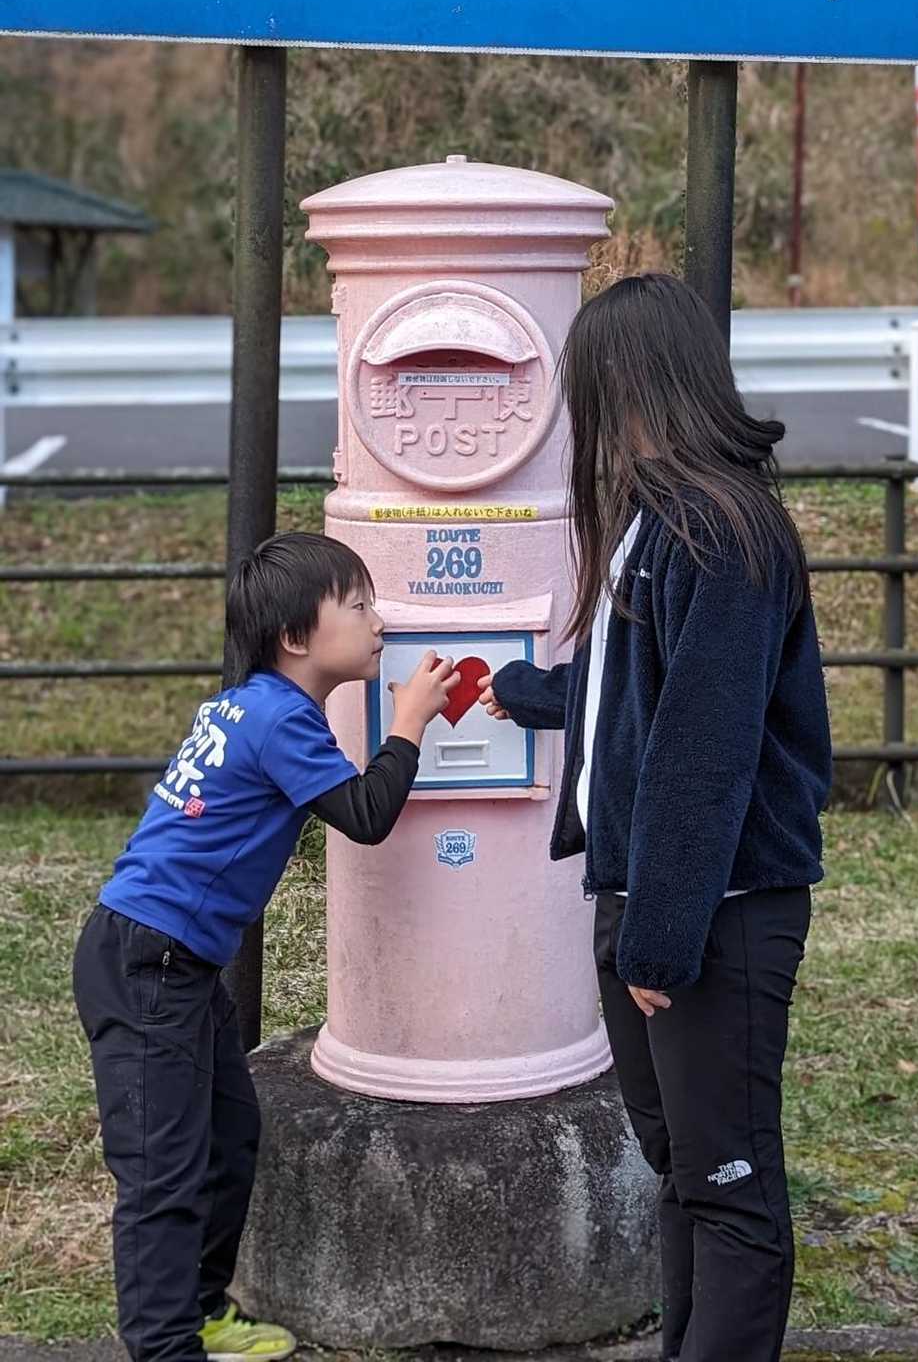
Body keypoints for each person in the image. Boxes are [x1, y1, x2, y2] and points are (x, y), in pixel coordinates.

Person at [478, 273, 831, 1362]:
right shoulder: (658, 523)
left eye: (591, 390)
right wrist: (525, 691)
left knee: (727, 1183)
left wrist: (662, 941)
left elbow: (702, 752)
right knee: (682, 1171)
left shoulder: (724, 531)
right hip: (646, 900)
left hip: (713, 910)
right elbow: (635, 690)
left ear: (633, 387)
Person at [73, 532, 458, 1362]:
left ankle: (203, 1312)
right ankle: (166, 1347)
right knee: (163, 1175)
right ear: (294, 637)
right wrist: (410, 723)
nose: (378, 620)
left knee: (228, 1138)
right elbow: (365, 815)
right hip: (150, 963)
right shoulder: (281, 720)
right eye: (357, 606)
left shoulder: (250, 704)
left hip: (171, 958)